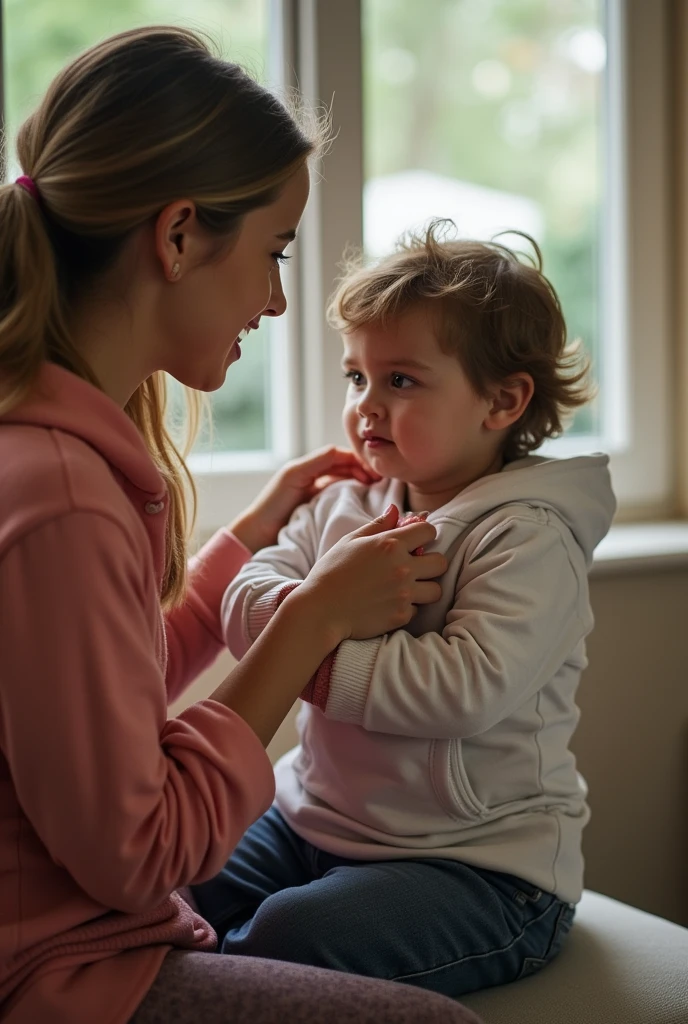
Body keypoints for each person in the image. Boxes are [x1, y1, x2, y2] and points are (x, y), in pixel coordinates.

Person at [0, 27, 485, 1024]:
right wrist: (309, 618)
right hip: (53, 975)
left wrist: (250, 542)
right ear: (177, 236)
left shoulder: (49, 452)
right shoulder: (65, 495)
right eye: (271, 253)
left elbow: (99, 704)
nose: (273, 300)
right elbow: (142, 851)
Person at [193, 223, 617, 998]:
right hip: (309, 821)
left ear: (502, 400)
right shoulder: (349, 504)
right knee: (175, 885)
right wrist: (307, 614)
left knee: (290, 936)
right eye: (357, 377)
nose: (365, 407)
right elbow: (244, 598)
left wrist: (306, 636)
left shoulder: (528, 537)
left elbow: (460, 690)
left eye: (402, 381)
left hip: (477, 868)